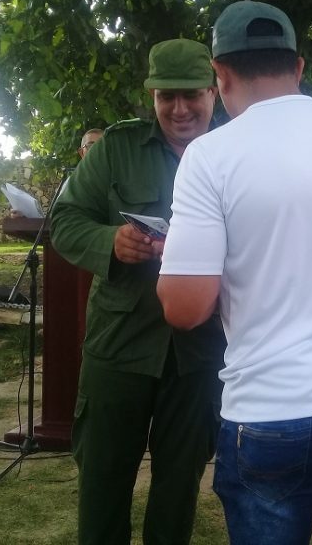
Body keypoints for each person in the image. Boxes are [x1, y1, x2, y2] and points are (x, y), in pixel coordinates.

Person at [157, 1, 312, 545]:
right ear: (297, 68)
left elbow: (185, 308)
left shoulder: (209, 157)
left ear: (220, 76)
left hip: (274, 407)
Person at [50, 39, 225, 545]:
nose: (179, 109)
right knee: (103, 479)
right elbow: (66, 219)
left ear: (213, 90)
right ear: (151, 96)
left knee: (179, 487)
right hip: (120, 345)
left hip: (197, 350)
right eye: (165, 96)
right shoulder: (117, 149)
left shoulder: (233, 153)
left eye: (191, 94)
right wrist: (111, 240)